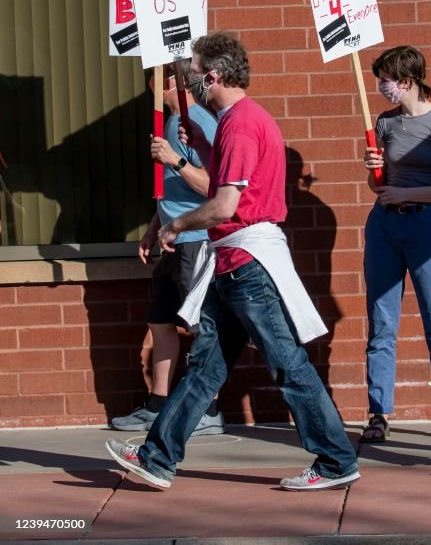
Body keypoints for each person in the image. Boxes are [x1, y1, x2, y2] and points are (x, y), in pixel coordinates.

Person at [104, 33, 359, 491]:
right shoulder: (236, 123)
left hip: (246, 264)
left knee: (286, 365)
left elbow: (225, 205)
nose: (191, 80)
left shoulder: (240, 124)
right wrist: (201, 141)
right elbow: (232, 180)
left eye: (195, 73)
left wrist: (175, 226)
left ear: (214, 76)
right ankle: (158, 457)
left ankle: (337, 460)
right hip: (236, 264)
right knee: (206, 368)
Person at [360, 45, 431, 443]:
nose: (381, 87)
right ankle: (378, 413)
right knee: (381, 322)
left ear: (406, 81)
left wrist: (411, 196)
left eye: (386, 80)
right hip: (385, 228)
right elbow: (381, 185)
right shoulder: (385, 122)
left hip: (430, 229)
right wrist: (374, 172)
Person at [110, 60, 223, 437]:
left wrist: (173, 158)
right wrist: (152, 228)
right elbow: (173, 190)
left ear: (178, 81)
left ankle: (208, 408)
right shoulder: (171, 124)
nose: (150, 82)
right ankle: (158, 403)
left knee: (200, 325)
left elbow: (214, 187)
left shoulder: (195, 123)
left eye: (159, 75)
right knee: (161, 322)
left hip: (195, 240)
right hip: (171, 239)